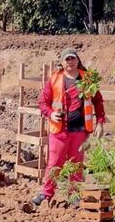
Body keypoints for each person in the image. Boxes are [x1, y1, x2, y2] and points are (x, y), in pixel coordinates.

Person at [32, 48, 106, 206]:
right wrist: (51, 113)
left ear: (78, 60)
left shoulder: (87, 79)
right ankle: (46, 194)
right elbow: (42, 102)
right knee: (54, 164)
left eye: (73, 59)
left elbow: (98, 101)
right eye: (67, 59)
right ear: (62, 62)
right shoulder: (55, 79)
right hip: (59, 130)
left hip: (79, 130)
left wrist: (100, 122)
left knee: (76, 165)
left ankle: (74, 196)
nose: (70, 62)